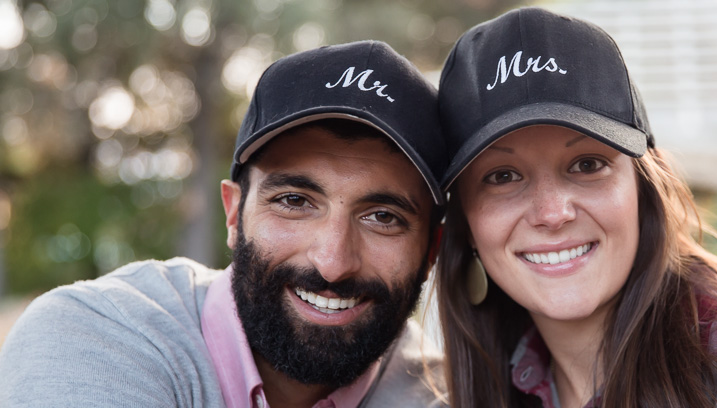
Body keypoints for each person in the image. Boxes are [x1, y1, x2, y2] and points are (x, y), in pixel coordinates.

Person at [434, 7, 717, 408]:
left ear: (644, 184)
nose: (553, 213)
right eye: (502, 177)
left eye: (587, 164)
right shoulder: (477, 385)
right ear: (466, 223)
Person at [0, 40, 448, 408]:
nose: (332, 263)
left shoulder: (442, 392)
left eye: (383, 217)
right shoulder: (92, 341)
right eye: (294, 201)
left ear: (431, 250)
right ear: (234, 213)